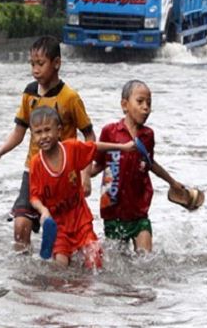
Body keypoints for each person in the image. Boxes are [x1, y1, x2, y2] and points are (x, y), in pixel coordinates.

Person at [0, 35, 96, 251]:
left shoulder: (70, 98)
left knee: (68, 232)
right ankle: (25, 279)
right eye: (32, 64)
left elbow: (89, 136)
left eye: (40, 64)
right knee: (21, 224)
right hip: (34, 170)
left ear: (56, 63)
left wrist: (85, 174)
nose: (35, 69)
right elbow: (19, 132)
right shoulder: (29, 93)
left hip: (64, 174)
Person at [91, 80, 191, 253]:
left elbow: (151, 163)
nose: (146, 107)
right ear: (124, 105)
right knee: (118, 264)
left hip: (139, 210)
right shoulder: (110, 132)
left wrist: (172, 182)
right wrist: (80, 176)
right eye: (140, 101)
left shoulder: (148, 135)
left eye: (149, 103)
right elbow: (99, 164)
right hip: (113, 210)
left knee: (145, 261)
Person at [28, 106, 135, 268]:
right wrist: (43, 210)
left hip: (80, 219)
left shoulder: (72, 149)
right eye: (38, 132)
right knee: (60, 267)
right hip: (58, 225)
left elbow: (95, 146)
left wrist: (124, 147)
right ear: (32, 135)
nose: (43, 136)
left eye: (47, 130)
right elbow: (34, 196)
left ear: (59, 131)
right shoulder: (36, 164)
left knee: (95, 259)